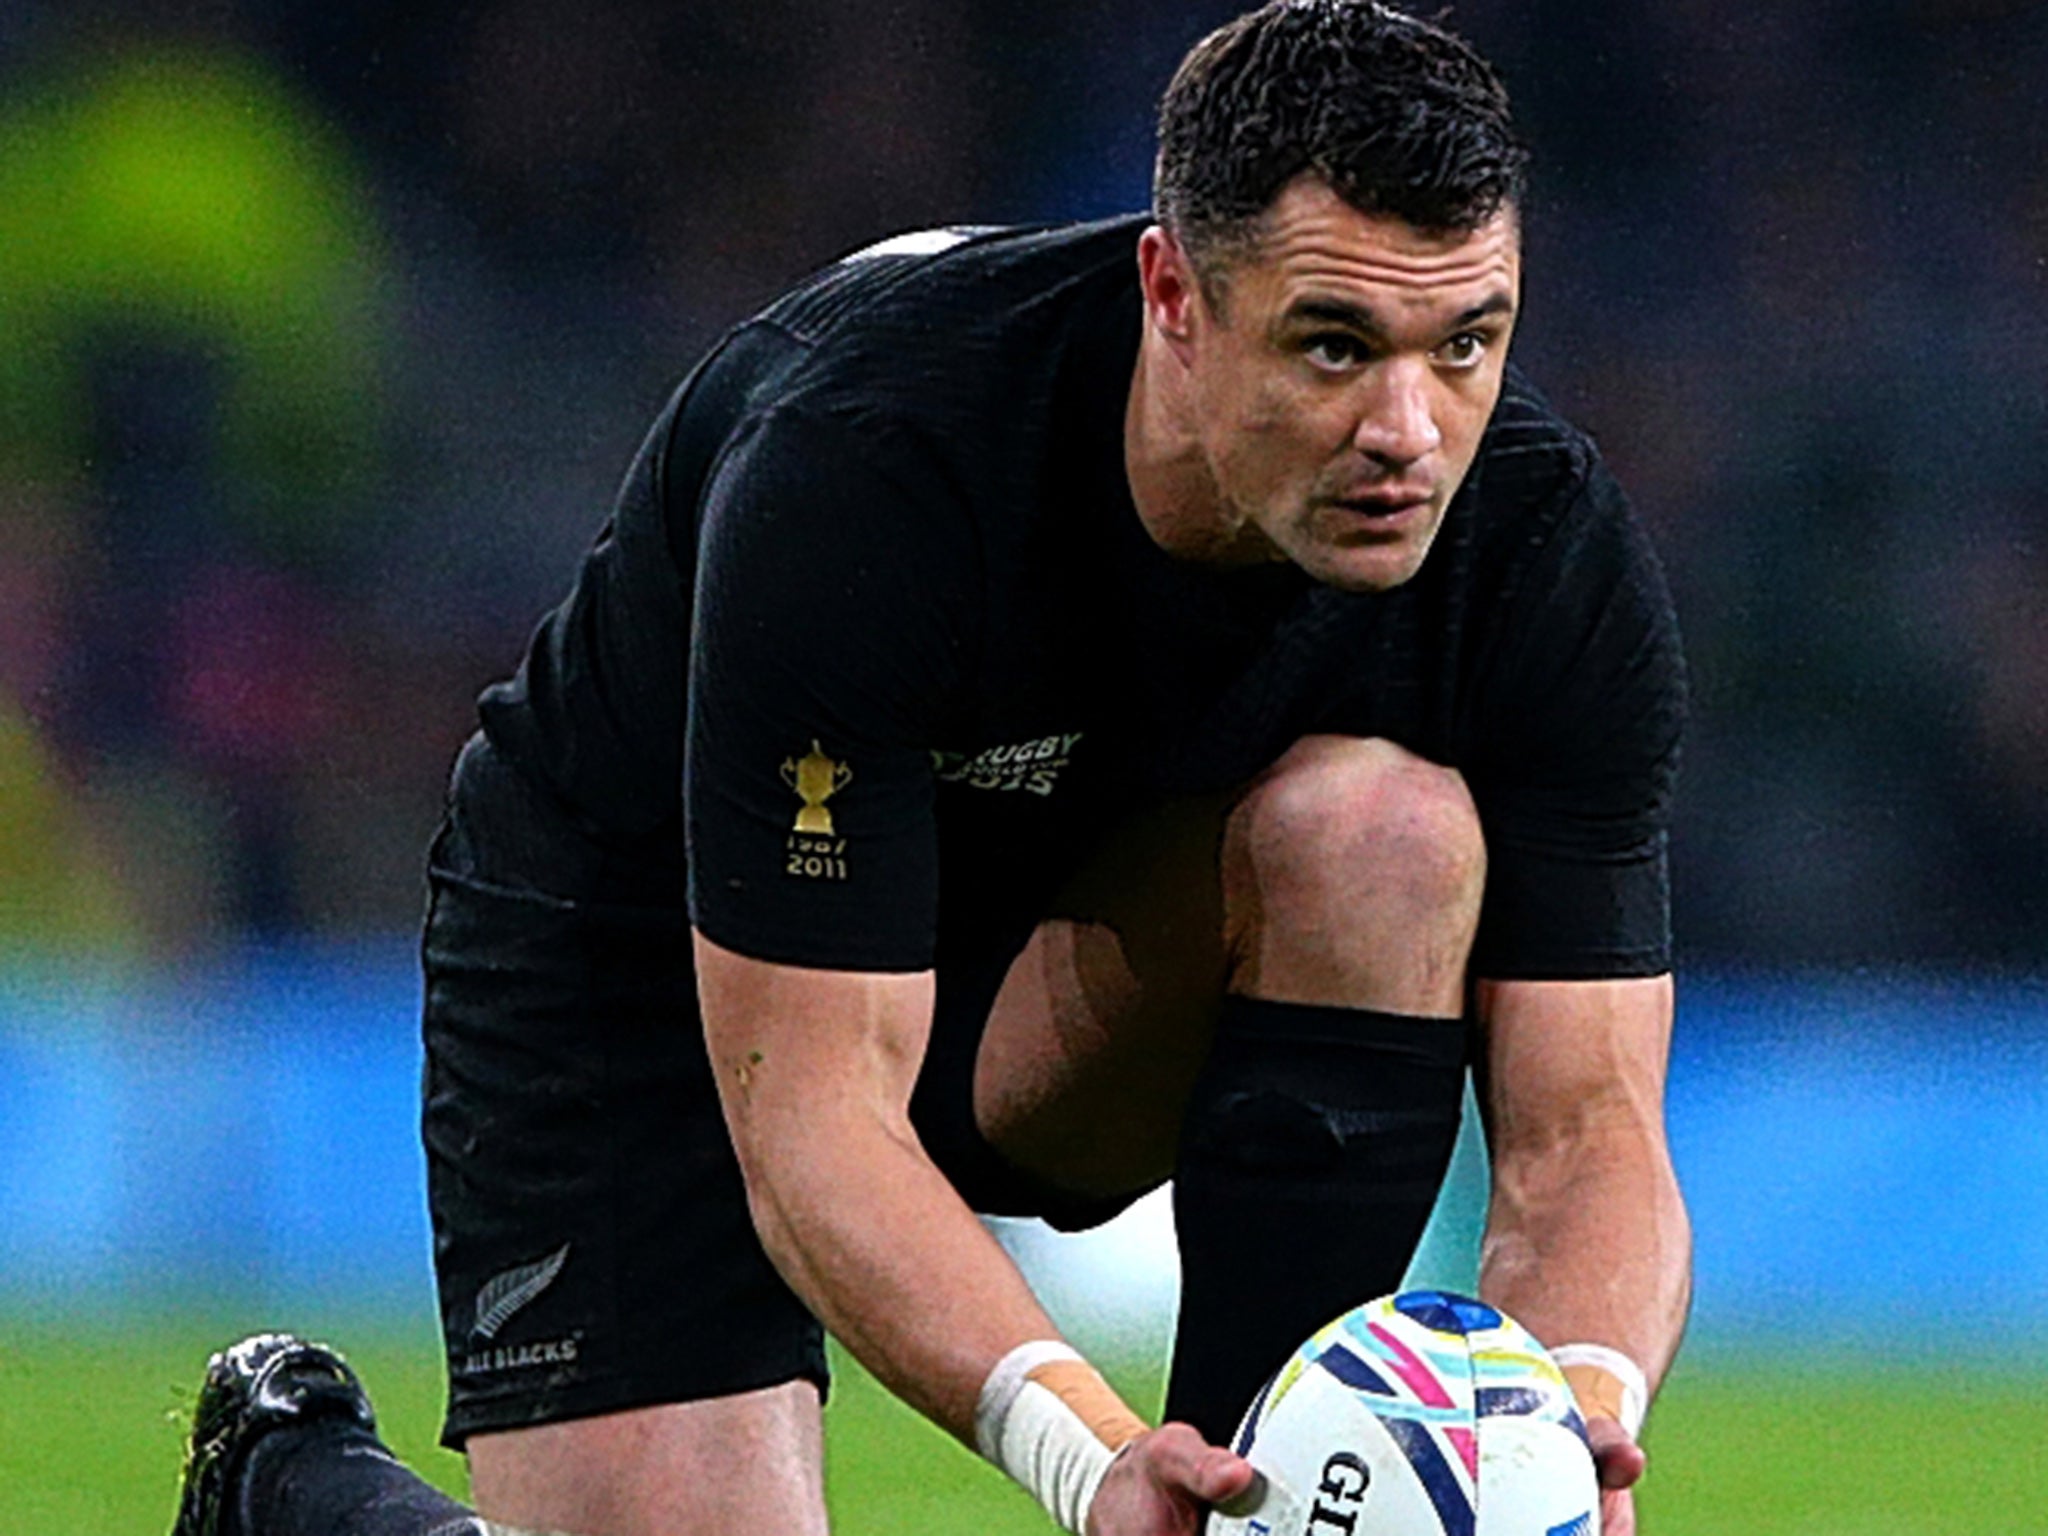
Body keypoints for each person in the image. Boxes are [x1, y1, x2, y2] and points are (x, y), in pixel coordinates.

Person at [172, 3, 1690, 1534]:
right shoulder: (872, 463)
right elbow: (813, 1118)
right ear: (1173, 292)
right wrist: (1090, 1456)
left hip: (1041, 983)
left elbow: (1589, 1130)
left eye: (1468, 343)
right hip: (652, 958)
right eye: (1332, 346)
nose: (1407, 431)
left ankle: (1255, 1499)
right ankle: (297, 1496)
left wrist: (1578, 1413)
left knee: (1387, 836)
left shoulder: (1541, 552)